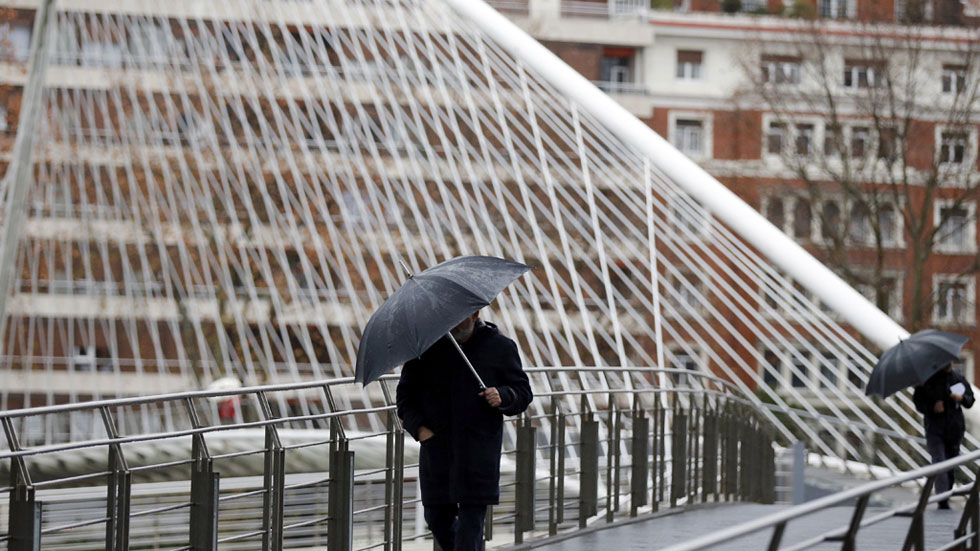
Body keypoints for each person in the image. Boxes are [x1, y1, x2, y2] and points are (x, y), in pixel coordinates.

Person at [396, 311, 533, 551]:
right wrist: (421, 430)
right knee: (436, 519)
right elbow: (406, 398)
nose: (453, 324)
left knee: (470, 527)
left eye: (459, 318)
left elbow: (523, 393)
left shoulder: (500, 347)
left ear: (475, 313)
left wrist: (503, 395)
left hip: (478, 453)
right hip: (437, 452)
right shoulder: (426, 348)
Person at [913, 364, 975, 509]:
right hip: (934, 429)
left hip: (954, 429)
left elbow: (970, 400)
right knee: (939, 461)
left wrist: (961, 398)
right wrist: (932, 407)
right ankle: (942, 499)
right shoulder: (927, 380)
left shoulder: (958, 378)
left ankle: (945, 495)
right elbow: (918, 402)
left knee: (951, 465)